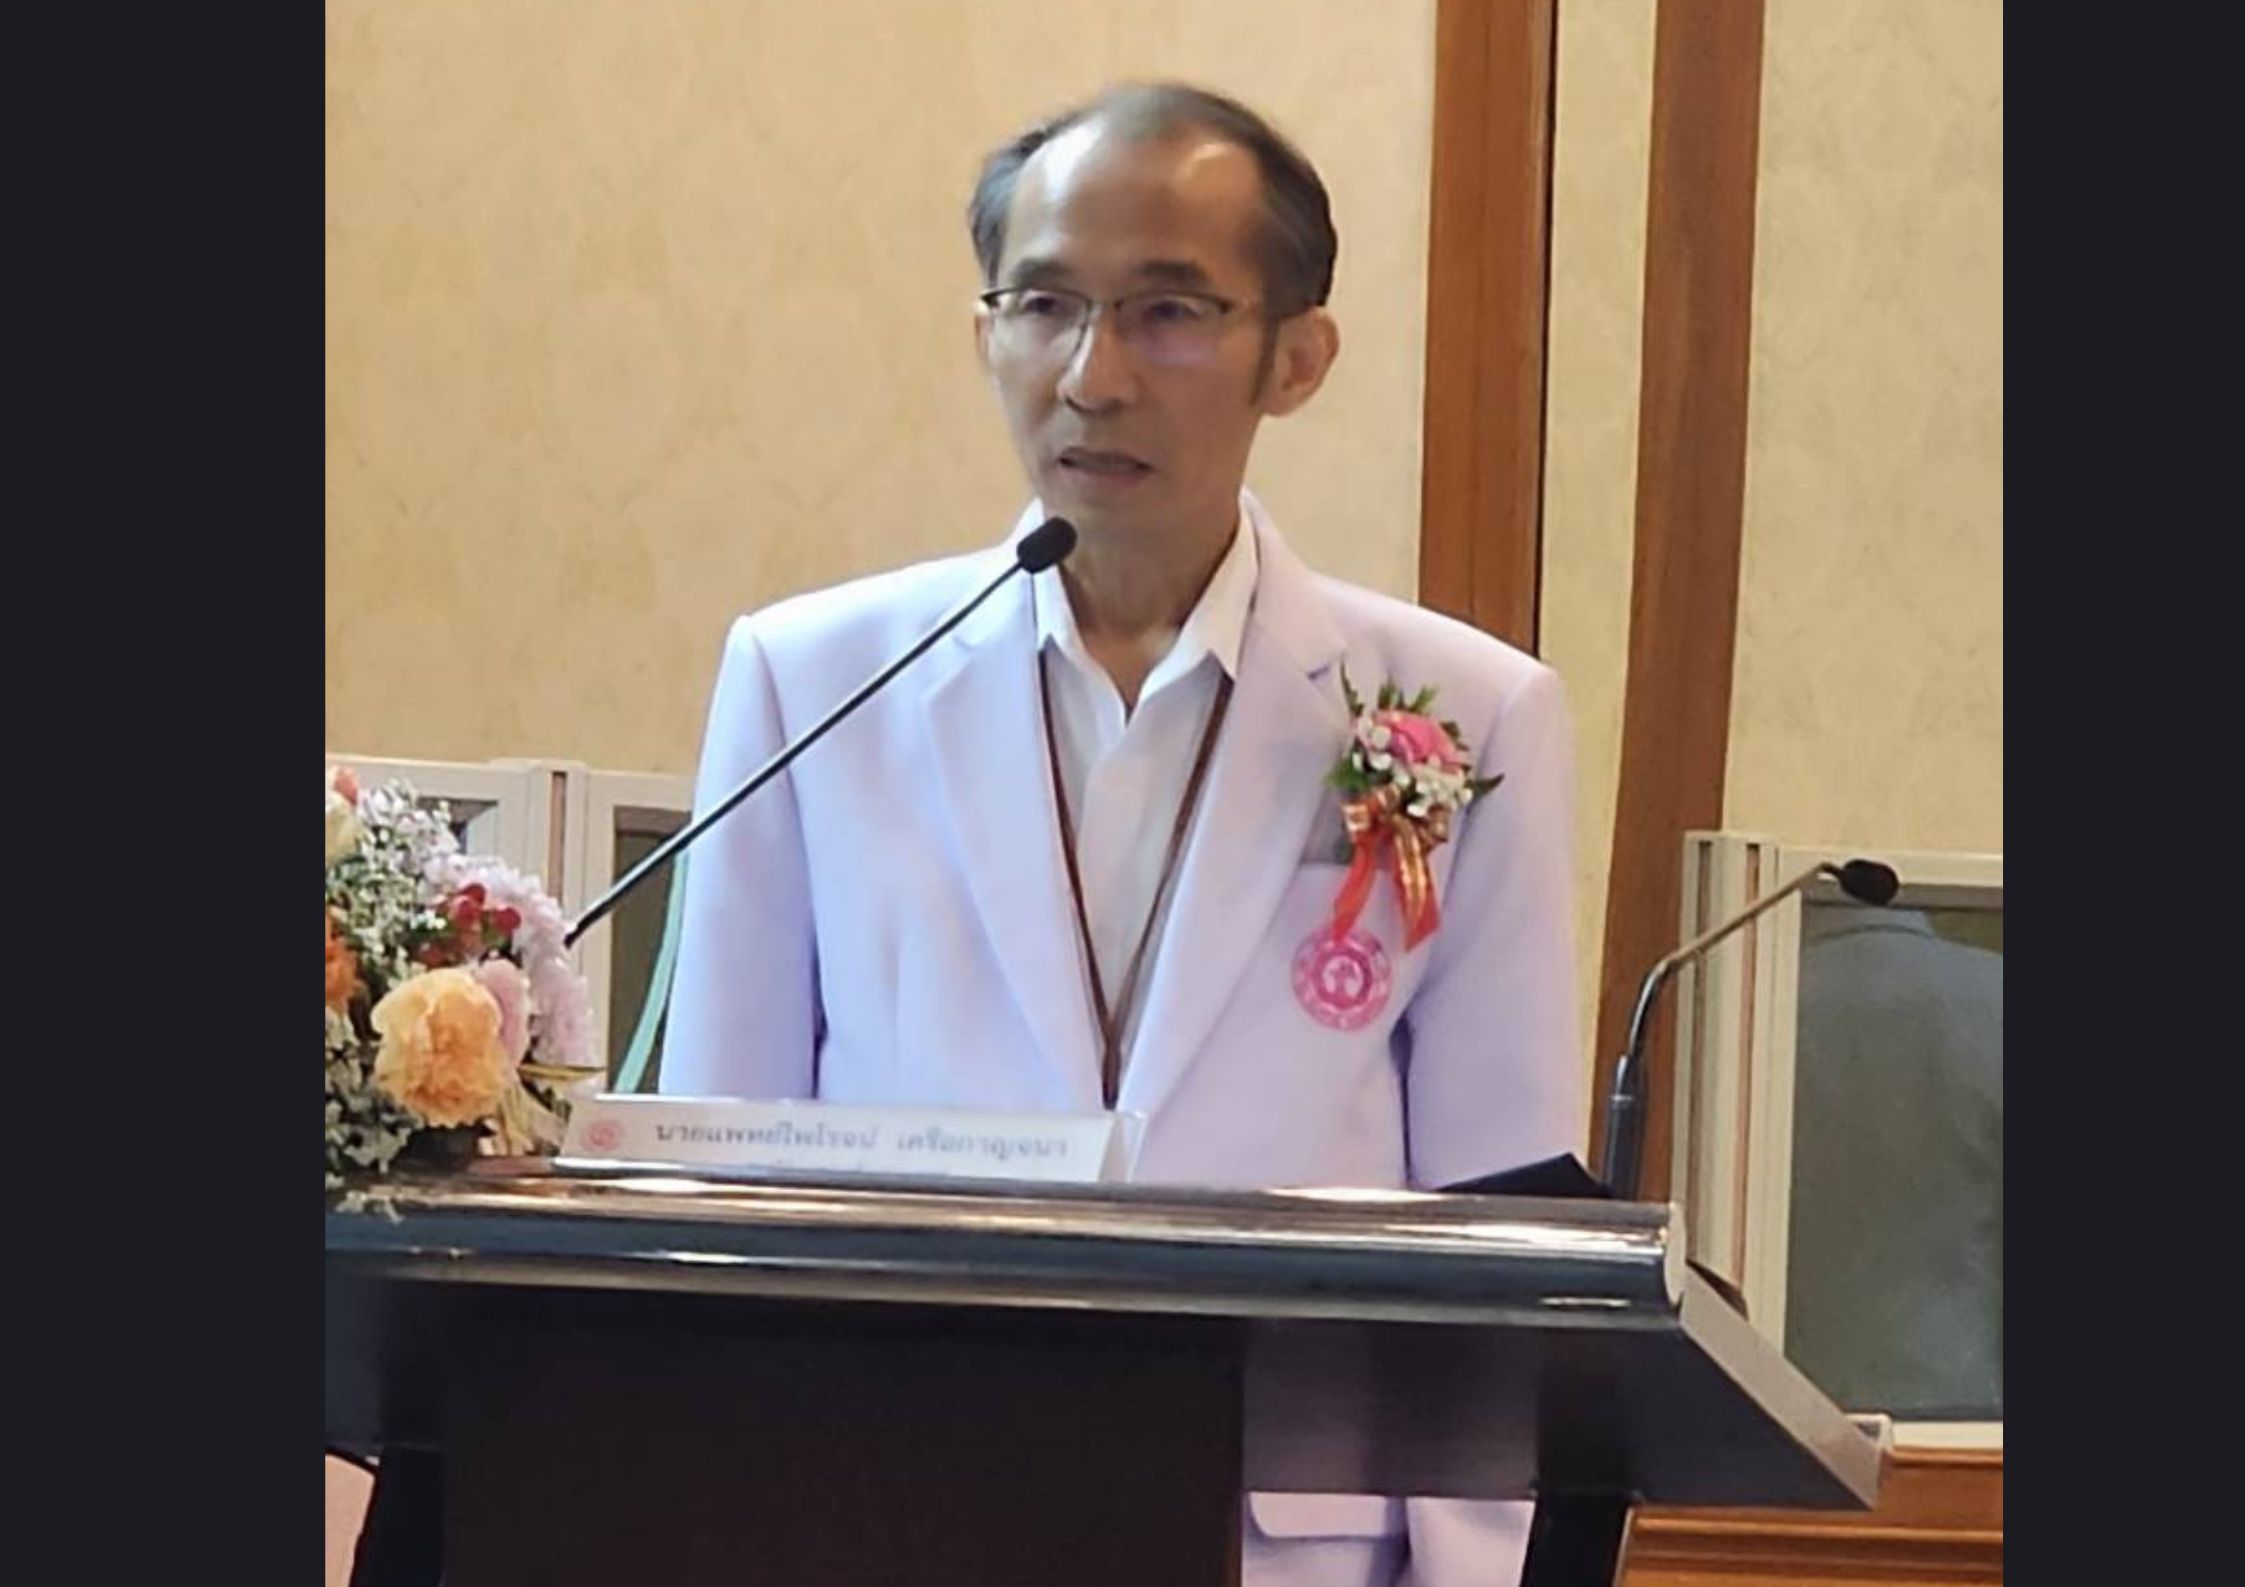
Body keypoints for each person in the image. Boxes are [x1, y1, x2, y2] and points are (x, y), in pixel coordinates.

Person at [664, 81, 1585, 1587]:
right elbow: (717, 1173)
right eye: (1043, 307)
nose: (1093, 377)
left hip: (1284, 1538)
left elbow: (1496, 1235)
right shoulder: (814, 682)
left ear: (1297, 358)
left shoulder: (1468, 714)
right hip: (879, 1504)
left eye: (1168, 314)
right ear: (985, 336)